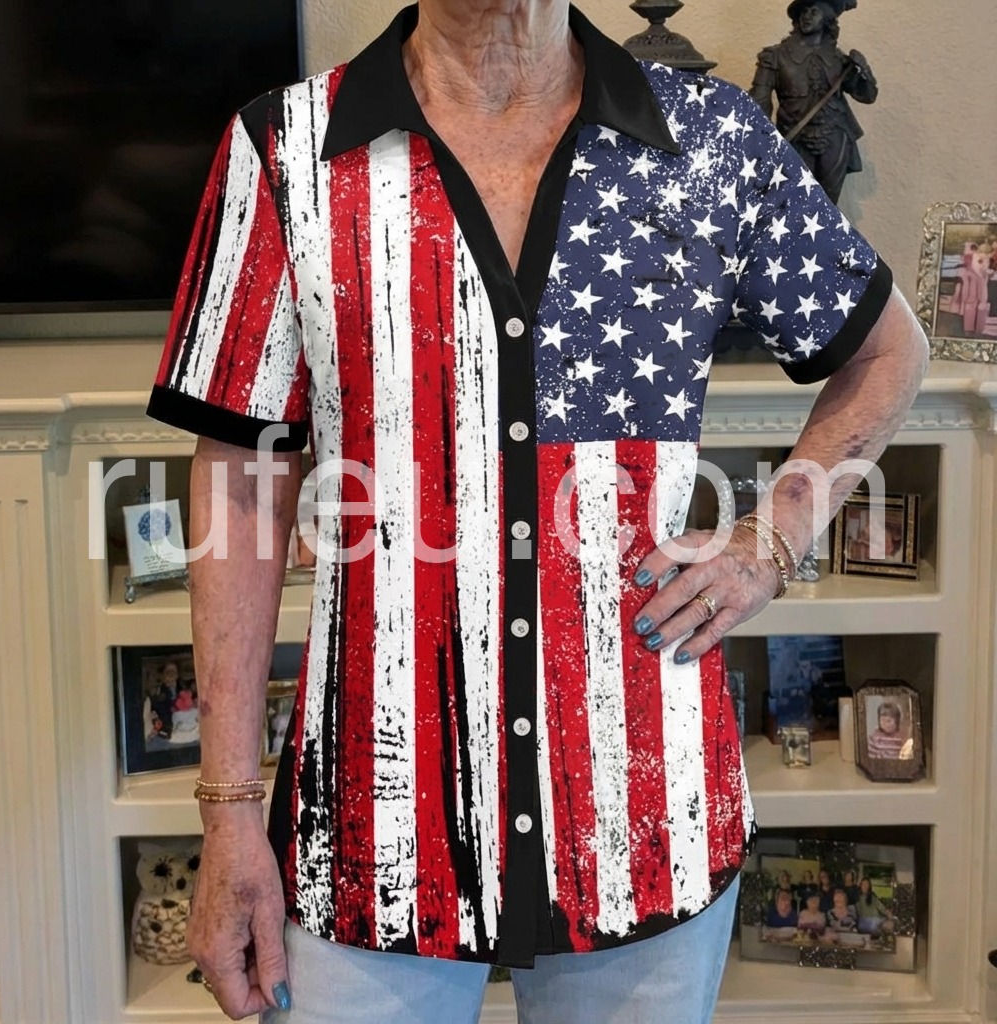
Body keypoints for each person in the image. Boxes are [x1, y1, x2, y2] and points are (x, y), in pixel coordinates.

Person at [145, 1, 929, 1021]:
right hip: (374, 828)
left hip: (640, 820)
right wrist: (228, 815)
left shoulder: (709, 140)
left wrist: (772, 537)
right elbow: (243, 481)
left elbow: (888, 351)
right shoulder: (284, 150)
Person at [750, 0, 878, 203]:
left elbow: (867, 96)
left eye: (814, 12)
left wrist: (865, 71)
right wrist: (760, 142)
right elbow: (760, 102)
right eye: (804, 11)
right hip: (794, 137)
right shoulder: (774, 56)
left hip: (834, 137)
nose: (807, 16)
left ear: (827, 19)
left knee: (829, 207)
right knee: (794, 206)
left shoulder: (838, 59)